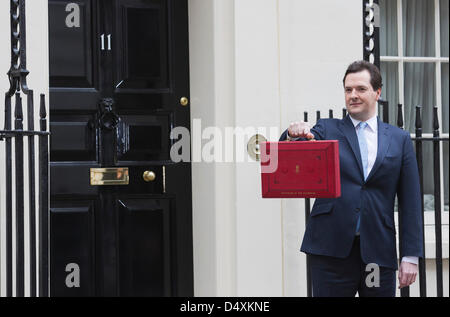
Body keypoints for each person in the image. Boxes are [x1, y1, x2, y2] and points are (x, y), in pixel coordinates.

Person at [280, 60, 423, 297]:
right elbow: (299, 147)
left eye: (360, 89)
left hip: (377, 253)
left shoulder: (399, 139)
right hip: (331, 252)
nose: (353, 95)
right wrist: (292, 134)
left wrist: (410, 256)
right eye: (348, 90)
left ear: (377, 92)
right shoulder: (327, 129)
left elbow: (410, 201)